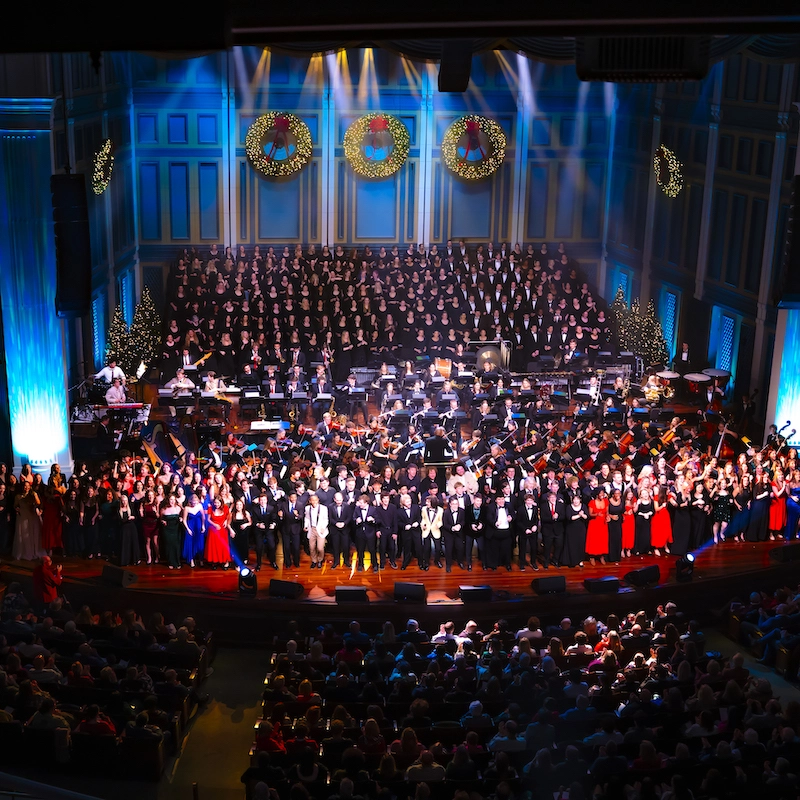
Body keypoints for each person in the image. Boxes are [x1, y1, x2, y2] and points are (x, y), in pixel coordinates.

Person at [14, 480, 44, 561]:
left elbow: (39, 503)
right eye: (25, 486)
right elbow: (15, 505)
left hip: (32, 515)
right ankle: (26, 552)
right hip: (23, 516)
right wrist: (17, 509)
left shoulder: (33, 494)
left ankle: (35, 551)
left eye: (28, 486)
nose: (26, 487)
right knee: (23, 534)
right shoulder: (18, 496)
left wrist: (37, 507)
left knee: (33, 533)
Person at [304, 494, 329, 569]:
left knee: (320, 548)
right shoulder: (307, 508)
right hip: (312, 529)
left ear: (318, 500)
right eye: (312, 500)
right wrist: (306, 526)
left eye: (316, 500)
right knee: (311, 547)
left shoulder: (323, 508)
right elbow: (307, 518)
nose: (314, 501)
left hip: (321, 530)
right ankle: (314, 561)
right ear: (310, 501)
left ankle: (320, 560)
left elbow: (326, 519)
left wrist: (323, 527)